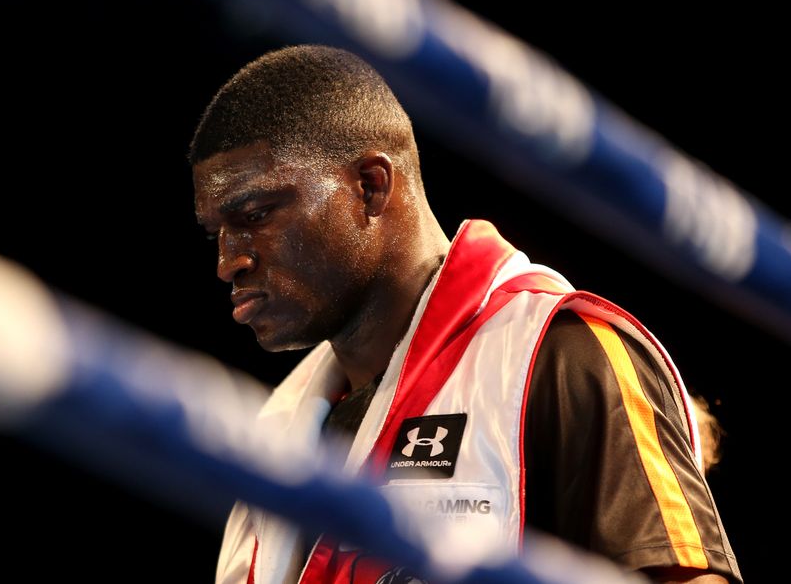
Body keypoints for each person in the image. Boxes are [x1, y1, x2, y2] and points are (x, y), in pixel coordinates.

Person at [191, 44, 741, 584]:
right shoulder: (277, 427)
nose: (228, 262)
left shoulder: (556, 352)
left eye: (256, 214)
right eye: (217, 233)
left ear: (370, 187)